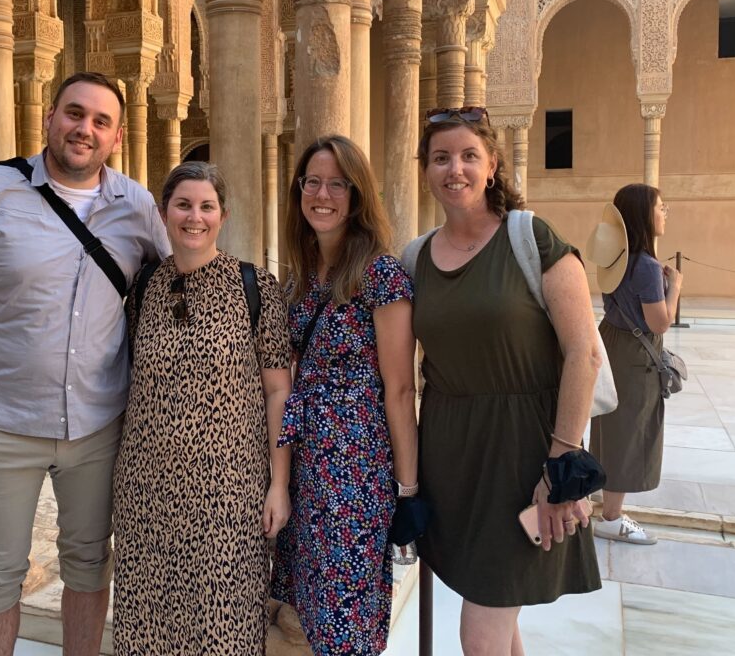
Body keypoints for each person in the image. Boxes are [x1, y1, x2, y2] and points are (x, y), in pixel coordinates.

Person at [0, 71, 169, 656]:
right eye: (74, 114)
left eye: (100, 121)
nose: (85, 129)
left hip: (99, 425)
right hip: (2, 426)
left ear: (117, 136)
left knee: (87, 564)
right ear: (49, 118)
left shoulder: (136, 206)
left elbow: (178, 285)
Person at [408, 107, 601, 655]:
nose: (455, 169)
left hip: (524, 455)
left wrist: (562, 466)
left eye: (470, 155)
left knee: (480, 630)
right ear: (426, 169)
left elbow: (583, 352)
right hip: (451, 455)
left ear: (492, 165)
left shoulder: (530, 237)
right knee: (495, 605)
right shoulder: (415, 257)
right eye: (441, 157)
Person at [111, 161, 292, 654]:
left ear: (223, 215)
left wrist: (279, 484)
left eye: (206, 206)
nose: (195, 217)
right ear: (164, 213)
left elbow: (279, 393)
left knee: (224, 627)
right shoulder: (143, 289)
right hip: (147, 491)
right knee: (148, 622)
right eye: (183, 205)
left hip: (230, 493)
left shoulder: (255, 288)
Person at [271, 135, 418, 655]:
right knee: (311, 610)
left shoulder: (380, 275)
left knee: (346, 620)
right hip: (308, 465)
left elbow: (400, 390)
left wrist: (407, 489)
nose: (323, 194)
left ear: (356, 196)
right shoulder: (305, 276)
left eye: (337, 184)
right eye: (313, 182)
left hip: (354, 475)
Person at [589, 184, 682, 545]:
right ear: (645, 214)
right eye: (661, 207)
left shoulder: (617, 255)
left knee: (612, 425)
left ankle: (605, 501)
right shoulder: (644, 266)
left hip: (613, 340)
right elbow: (660, 322)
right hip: (633, 353)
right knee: (628, 430)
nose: (664, 213)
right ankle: (611, 517)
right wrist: (675, 286)